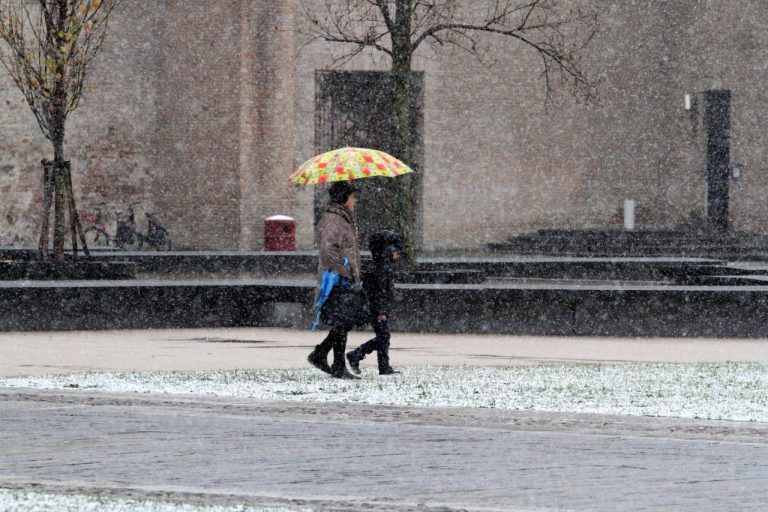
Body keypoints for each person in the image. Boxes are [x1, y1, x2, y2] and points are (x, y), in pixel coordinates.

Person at [307, 181, 367, 379]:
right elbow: (328, 250)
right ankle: (335, 364)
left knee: (343, 322)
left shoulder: (343, 218)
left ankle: (323, 356)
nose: (355, 200)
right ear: (344, 198)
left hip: (344, 278)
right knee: (342, 322)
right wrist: (346, 267)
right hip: (337, 279)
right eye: (352, 196)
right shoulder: (335, 220)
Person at [346, 230, 404, 376]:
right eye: (397, 251)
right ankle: (357, 354)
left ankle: (383, 366)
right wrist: (381, 311)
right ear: (389, 250)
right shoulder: (382, 267)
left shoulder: (380, 264)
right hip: (377, 308)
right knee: (384, 337)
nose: (398, 254)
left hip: (376, 306)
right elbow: (379, 292)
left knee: (383, 336)